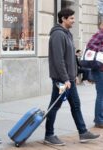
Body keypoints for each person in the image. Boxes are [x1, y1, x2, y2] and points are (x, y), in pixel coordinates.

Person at [44, 8, 100, 146]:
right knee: (54, 106)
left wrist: (73, 75)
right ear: (63, 18)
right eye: (71, 19)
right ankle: (49, 135)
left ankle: (83, 132)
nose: (73, 21)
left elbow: (70, 58)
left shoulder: (67, 34)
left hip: (69, 79)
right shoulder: (57, 35)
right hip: (61, 79)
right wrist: (65, 79)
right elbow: (59, 60)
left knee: (76, 105)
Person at [86, 22, 103, 128]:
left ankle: (100, 118)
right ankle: (99, 120)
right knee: (101, 96)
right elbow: (90, 46)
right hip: (100, 70)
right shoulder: (100, 34)